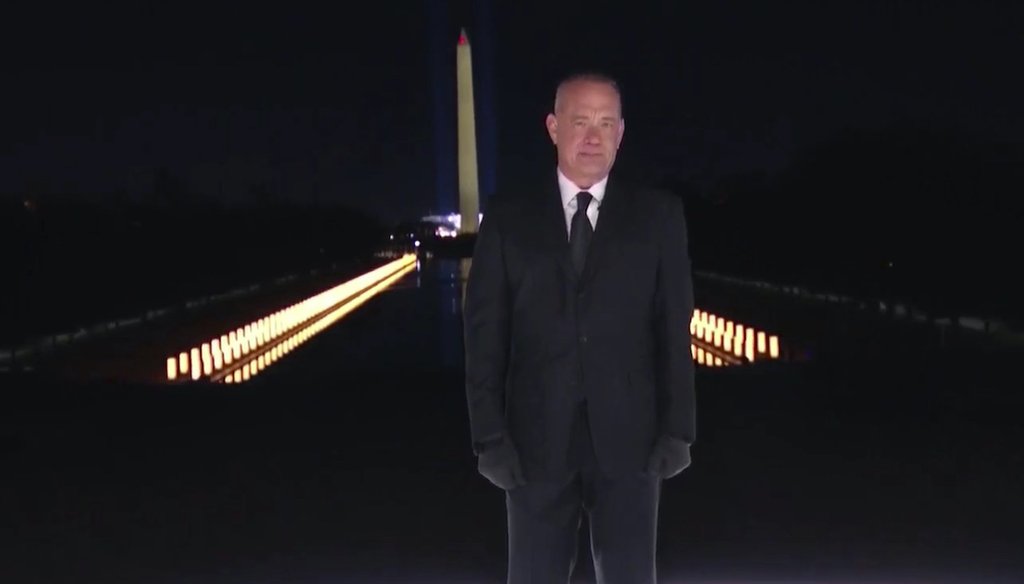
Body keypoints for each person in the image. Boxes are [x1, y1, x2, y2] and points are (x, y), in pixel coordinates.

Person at [463, 71, 696, 584]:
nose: (593, 137)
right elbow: (485, 335)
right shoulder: (508, 217)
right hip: (533, 445)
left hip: (632, 442)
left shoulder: (659, 216)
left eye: (606, 123)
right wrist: (489, 438)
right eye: (580, 122)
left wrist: (679, 429)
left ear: (621, 132)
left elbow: (673, 329)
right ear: (552, 127)